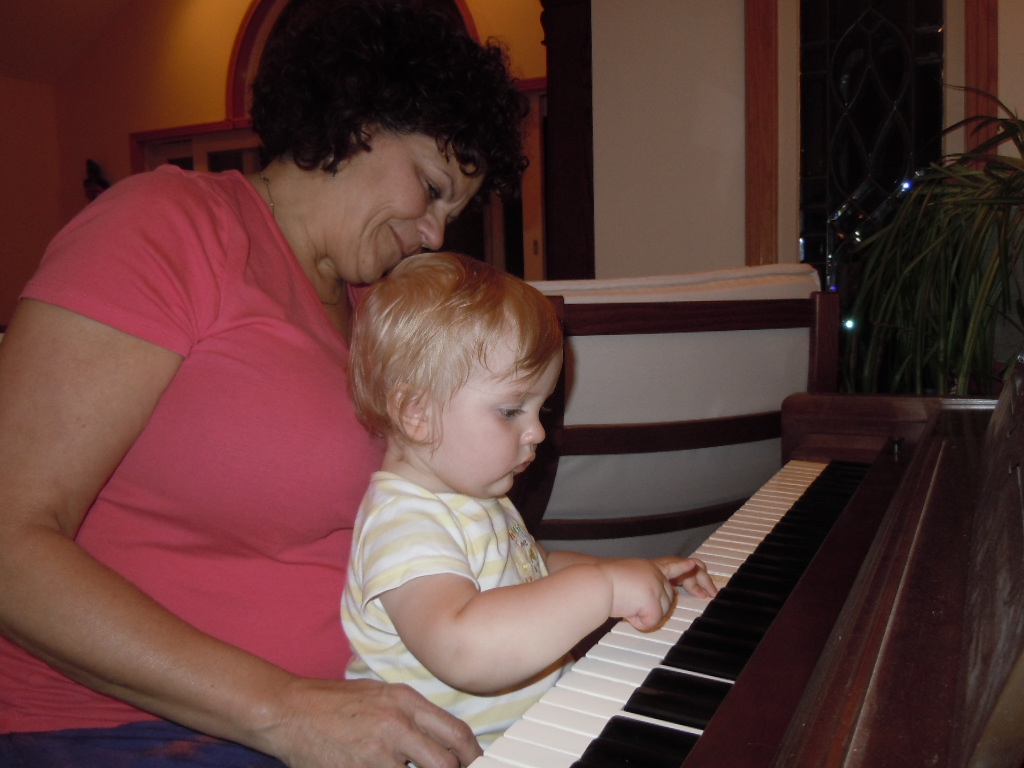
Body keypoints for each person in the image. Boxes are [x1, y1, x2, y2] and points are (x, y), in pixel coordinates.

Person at [0, 1, 530, 766]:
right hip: (127, 731)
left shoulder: (371, 312)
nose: (435, 234)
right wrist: (281, 711)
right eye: (431, 185)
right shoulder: (167, 225)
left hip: (346, 711)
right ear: (358, 118)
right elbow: (10, 539)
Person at [342, 252, 718, 747]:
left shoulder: (472, 494)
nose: (537, 431)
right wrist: (601, 589)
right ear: (417, 412)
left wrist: (631, 573)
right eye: (511, 410)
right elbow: (463, 648)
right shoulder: (404, 524)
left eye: (541, 407)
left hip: (528, 737)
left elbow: (534, 566)